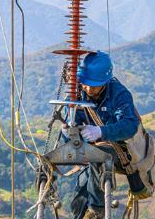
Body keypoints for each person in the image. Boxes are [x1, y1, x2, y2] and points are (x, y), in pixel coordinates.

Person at [62, 51, 146, 219]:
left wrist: (102, 131)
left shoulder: (119, 94)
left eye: (93, 85)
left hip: (118, 148)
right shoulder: (77, 95)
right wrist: (68, 133)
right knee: (80, 198)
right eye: (85, 83)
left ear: (105, 82)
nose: (88, 88)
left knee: (101, 157)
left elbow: (130, 125)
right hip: (90, 150)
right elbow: (72, 129)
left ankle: (97, 210)